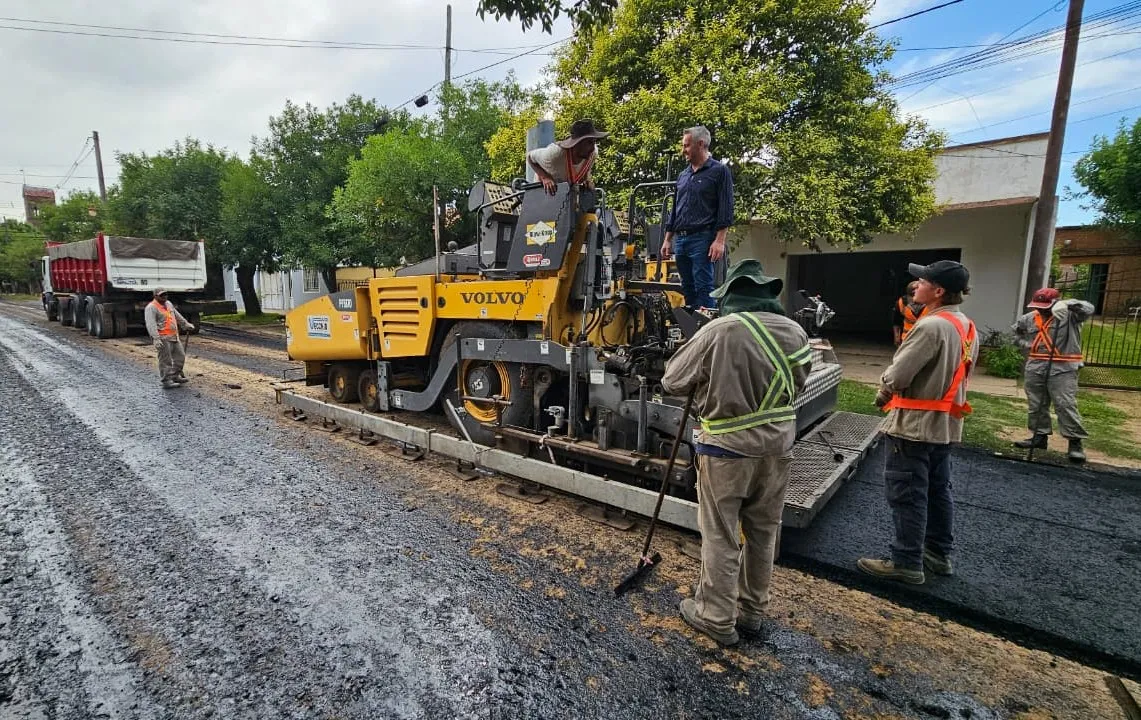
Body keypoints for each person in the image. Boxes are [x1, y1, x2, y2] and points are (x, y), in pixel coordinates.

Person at [662, 259, 811, 646]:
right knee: (763, 532)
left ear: (731, 297)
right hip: (778, 449)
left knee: (722, 534)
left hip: (726, 449)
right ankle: (752, 612)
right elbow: (799, 382)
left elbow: (673, 379)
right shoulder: (796, 332)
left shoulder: (721, 330)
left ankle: (716, 617)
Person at [859, 260, 978, 585]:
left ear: (938, 291)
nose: (916, 286)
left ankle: (906, 561)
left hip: (914, 426)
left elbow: (898, 375)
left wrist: (884, 388)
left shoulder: (930, 327)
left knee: (907, 492)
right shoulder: (965, 325)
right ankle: (937, 553)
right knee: (938, 490)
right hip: (944, 426)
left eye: (922, 281)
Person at [1011, 288, 1094, 463]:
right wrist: (1028, 344)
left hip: (1063, 366)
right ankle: (1039, 437)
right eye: (1038, 306)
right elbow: (1016, 335)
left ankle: (1075, 442)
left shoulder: (1070, 316)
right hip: (1036, 365)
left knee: (1065, 404)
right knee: (1036, 404)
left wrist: (1068, 304)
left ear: (1056, 303)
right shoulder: (1029, 318)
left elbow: (1088, 309)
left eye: (1045, 307)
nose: (1041, 310)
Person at [660, 126, 734, 311]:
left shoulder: (719, 171)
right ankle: (692, 330)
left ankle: (707, 332)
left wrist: (719, 241)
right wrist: (668, 239)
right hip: (681, 239)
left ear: (700, 144)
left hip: (703, 238)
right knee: (687, 288)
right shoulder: (683, 175)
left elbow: (726, 208)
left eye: (686, 145)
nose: (683, 150)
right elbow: (675, 209)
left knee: (703, 287)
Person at [526, 119, 609, 195]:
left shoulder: (593, 153)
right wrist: (545, 177)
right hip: (544, 192)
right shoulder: (555, 153)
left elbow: (584, 172)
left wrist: (587, 180)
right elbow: (529, 156)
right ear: (577, 144)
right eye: (589, 143)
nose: (593, 148)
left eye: (594, 142)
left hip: (565, 194)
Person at [145, 287, 195, 389]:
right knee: (165, 360)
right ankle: (166, 380)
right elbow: (151, 324)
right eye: (162, 295)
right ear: (155, 296)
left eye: (166, 294)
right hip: (163, 338)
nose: (164, 297)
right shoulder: (151, 307)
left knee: (180, 357)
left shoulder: (169, 304)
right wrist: (156, 338)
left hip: (174, 336)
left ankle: (174, 376)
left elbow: (177, 315)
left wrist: (185, 324)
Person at [893, 281, 927, 347]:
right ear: (914, 292)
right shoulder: (901, 302)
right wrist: (896, 336)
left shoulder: (931, 302)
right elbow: (896, 321)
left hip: (924, 338)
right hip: (907, 338)